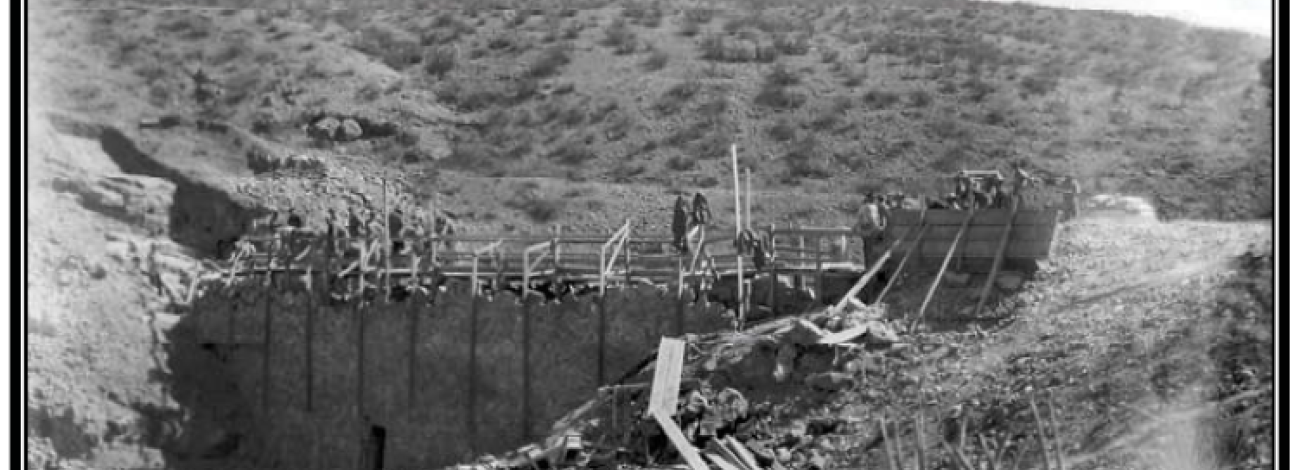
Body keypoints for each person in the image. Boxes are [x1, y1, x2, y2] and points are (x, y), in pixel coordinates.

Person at [855, 193, 887, 265]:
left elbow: (860, 219)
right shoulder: (871, 207)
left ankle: (869, 267)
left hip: (867, 231)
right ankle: (871, 268)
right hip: (871, 231)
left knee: (868, 250)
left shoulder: (864, 207)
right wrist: (878, 228)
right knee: (871, 251)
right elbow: (872, 219)